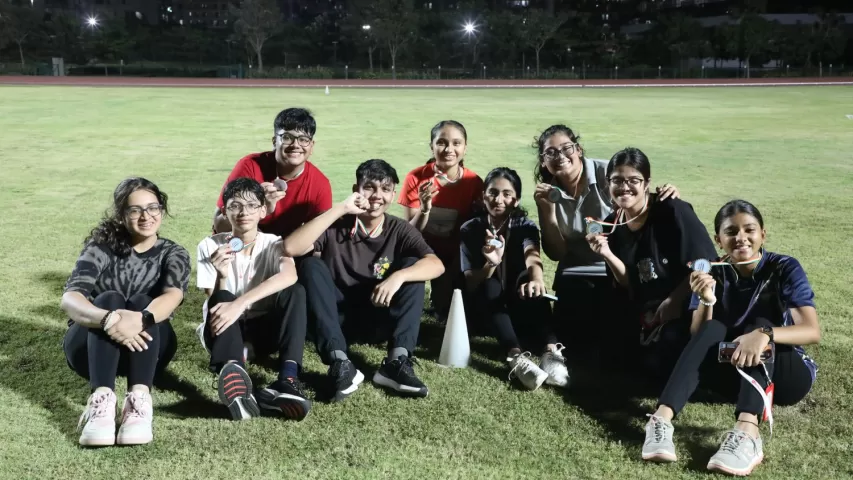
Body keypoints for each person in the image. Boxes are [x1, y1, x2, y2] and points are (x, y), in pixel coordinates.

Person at [641, 200, 820, 477]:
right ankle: (660, 420)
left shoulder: (783, 267)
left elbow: (811, 330)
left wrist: (764, 333)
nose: (741, 238)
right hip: (733, 369)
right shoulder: (711, 270)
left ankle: (748, 433)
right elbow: (697, 336)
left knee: (759, 324)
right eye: (731, 231)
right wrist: (706, 299)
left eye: (749, 229)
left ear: (763, 234)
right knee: (712, 329)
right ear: (718, 239)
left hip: (784, 375)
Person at [283, 159, 445, 401]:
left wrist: (399, 276)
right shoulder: (335, 225)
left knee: (414, 267)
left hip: (378, 318)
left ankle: (396, 362)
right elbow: (290, 247)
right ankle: (340, 363)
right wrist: (340, 209)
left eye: (385, 189)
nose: (377, 196)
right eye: (369, 187)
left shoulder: (399, 229)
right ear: (355, 190)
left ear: (392, 194)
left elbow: (437, 265)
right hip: (334, 321)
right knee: (310, 265)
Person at [61, 178, 190, 447]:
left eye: (153, 208)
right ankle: (102, 402)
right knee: (109, 299)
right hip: (92, 350)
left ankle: (139, 402)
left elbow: (173, 295)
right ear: (122, 215)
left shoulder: (173, 252)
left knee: (145, 300)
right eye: (135, 210)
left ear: (162, 211)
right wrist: (109, 319)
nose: (146, 216)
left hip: (148, 351)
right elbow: (71, 298)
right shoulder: (101, 248)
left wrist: (142, 318)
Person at [533, 125, 680, 351]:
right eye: (551, 153)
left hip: (617, 268)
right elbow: (557, 254)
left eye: (566, 148)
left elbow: (640, 196)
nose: (560, 156)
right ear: (543, 161)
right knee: (576, 340)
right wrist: (548, 213)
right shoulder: (548, 193)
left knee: (615, 335)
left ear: (579, 149)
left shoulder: (608, 174)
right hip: (575, 274)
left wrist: (666, 195)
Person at [585, 147, 717, 377]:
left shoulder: (672, 210)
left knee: (656, 365)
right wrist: (607, 254)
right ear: (608, 183)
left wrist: (674, 300)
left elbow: (705, 262)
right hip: (645, 309)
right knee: (609, 356)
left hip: (687, 305)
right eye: (617, 180)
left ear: (647, 182)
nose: (624, 187)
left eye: (633, 180)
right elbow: (628, 283)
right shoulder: (611, 224)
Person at [197, 178, 310, 421]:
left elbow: (290, 276)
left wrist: (241, 303)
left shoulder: (274, 244)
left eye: (251, 206)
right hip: (223, 329)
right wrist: (222, 276)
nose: (243, 212)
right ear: (225, 212)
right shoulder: (209, 245)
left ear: (263, 210)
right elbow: (213, 299)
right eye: (235, 206)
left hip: (264, 330)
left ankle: (287, 379)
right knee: (223, 295)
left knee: (296, 292)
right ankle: (236, 382)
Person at [460, 167, 569, 390]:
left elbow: (532, 257)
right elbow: (471, 282)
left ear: (516, 200)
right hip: (483, 309)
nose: (499, 199)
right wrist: (490, 263)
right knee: (489, 282)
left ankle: (551, 352)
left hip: (519, 305)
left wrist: (537, 279)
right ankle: (517, 357)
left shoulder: (525, 226)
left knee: (528, 280)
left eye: (507, 194)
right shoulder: (470, 228)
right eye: (493, 193)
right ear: (483, 196)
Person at [398, 120, 484, 321]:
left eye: (456, 143)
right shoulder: (416, 177)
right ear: (432, 146)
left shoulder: (474, 182)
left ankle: (445, 299)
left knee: (453, 309)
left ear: (465, 147)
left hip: (456, 251)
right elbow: (411, 231)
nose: (449, 149)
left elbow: (472, 231)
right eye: (442, 142)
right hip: (422, 248)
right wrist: (425, 209)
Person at [212, 107, 332, 239]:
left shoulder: (320, 184)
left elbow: (320, 238)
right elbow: (219, 225)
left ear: (311, 146)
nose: (296, 145)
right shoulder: (249, 166)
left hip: (287, 250)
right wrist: (259, 209)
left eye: (303, 139)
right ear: (275, 141)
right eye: (287, 137)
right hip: (242, 247)